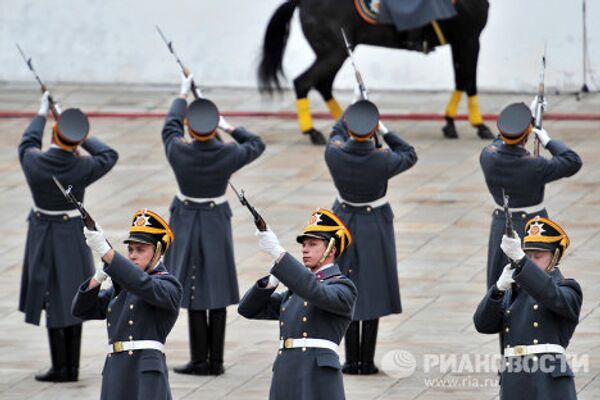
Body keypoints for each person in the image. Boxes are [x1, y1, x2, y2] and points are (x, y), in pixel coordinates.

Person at [161, 74, 266, 375]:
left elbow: (169, 127)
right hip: (216, 220)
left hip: (184, 217)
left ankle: (199, 360)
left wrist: (183, 97)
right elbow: (256, 143)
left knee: (192, 288)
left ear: (190, 128)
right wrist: (225, 124)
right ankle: (215, 361)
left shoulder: (178, 150)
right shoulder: (229, 152)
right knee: (216, 287)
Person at [18, 91, 118, 382]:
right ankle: (70, 367)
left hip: (42, 233)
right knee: (73, 295)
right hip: (72, 234)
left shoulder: (34, 162)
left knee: (51, 296)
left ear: (53, 134)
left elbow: (27, 142)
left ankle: (59, 367)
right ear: (73, 141)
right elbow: (109, 155)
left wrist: (41, 114)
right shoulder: (83, 166)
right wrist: (79, 133)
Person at [324, 99, 417, 374]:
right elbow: (409, 153)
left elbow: (335, 131)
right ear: (373, 128)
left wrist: (354, 107)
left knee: (346, 283)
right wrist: (384, 129)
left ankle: (351, 360)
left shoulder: (334, 152)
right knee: (373, 286)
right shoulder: (383, 158)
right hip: (375, 223)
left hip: (343, 220)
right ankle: (366, 361)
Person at [238, 208, 357, 400]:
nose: (305, 249)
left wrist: (279, 255)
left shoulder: (343, 287)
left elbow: (316, 292)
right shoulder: (294, 293)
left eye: (313, 244)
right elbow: (247, 309)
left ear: (331, 249)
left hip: (317, 376)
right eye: (304, 244)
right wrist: (273, 280)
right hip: (285, 372)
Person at [72, 209, 182, 399]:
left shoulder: (168, 285)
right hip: (115, 372)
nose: (132, 255)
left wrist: (108, 254)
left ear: (158, 251)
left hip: (145, 372)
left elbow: (142, 284)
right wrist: (98, 277)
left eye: (140, 250)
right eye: (130, 249)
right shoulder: (121, 287)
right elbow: (81, 310)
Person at [473, 216, 582, 399]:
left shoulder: (568, 288)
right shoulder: (514, 290)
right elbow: (482, 324)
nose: (531, 261)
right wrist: (498, 289)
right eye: (528, 255)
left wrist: (522, 262)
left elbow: (549, 294)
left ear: (555, 256)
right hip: (514, 380)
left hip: (547, 382)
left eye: (537, 257)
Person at [480, 102, 581, 290]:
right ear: (527, 135)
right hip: (531, 226)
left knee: (499, 282)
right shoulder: (534, 166)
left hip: (501, 223)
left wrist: (528, 117)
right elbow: (572, 161)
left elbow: (501, 139)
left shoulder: (487, 156)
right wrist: (547, 141)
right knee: (535, 283)